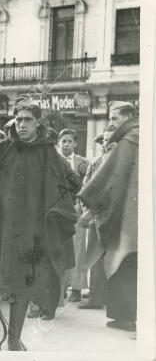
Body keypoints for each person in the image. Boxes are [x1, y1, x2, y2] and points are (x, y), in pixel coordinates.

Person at [0, 98, 80, 350]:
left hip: (30, 231)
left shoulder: (49, 153)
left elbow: (71, 184)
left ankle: (13, 339)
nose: (22, 124)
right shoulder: (0, 150)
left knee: (22, 284)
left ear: (37, 123)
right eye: (18, 119)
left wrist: (54, 211)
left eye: (28, 120)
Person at [78, 101, 138, 332]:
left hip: (126, 216)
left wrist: (91, 210)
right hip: (135, 213)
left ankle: (125, 318)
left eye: (114, 118)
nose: (111, 123)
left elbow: (110, 180)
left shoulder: (129, 140)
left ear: (128, 117)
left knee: (122, 262)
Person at [77, 126, 115, 310]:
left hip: (116, 218)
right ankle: (96, 298)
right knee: (95, 258)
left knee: (117, 258)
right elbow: (84, 189)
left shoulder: (124, 161)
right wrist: (87, 210)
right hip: (96, 217)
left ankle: (115, 302)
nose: (107, 144)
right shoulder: (95, 162)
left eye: (111, 140)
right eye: (104, 141)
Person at [58, 128, 89, 303]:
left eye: (69, 141)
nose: (66, 144)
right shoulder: (53, 160)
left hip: (77, 209)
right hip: (60, 209)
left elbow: (87, 185)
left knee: (78, 249)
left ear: (75, 143)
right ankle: (61, 287)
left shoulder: (82, 163)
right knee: (61, 248)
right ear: (59, 143)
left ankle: (77, 288)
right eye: (63, 141)